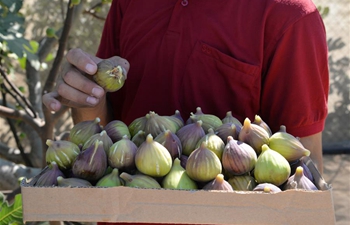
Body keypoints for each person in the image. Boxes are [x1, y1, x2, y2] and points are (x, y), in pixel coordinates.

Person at [43, 0, 328, 191]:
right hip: (126, 212)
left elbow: (303, 166)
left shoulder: (290, 15)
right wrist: (86, 95)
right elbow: (105, 133)